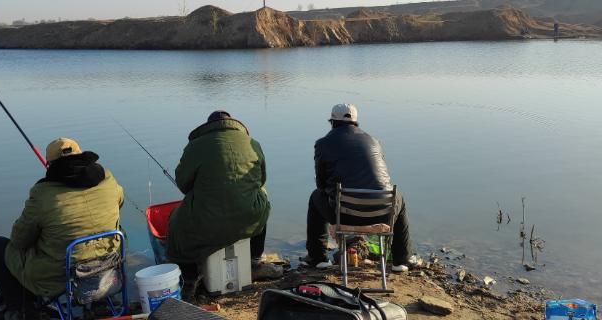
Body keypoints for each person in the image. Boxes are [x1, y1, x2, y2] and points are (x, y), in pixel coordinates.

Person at [0, 138, 124, 319]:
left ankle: (24, 310)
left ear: (49, 165)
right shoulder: (109, 180)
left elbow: (19, 240)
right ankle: (99, 302)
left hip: (61, 278)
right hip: (108, 265)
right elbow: (119, 202)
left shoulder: (42, 194)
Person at [166, 110, 282, 286]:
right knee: (262, 200)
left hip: (208, 219)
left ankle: (189, 276)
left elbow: (183, 185)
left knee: (175, 221)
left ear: (208, 128)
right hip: (248, 217)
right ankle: (254, 262)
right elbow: (261, 180)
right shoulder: (253, 143)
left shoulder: (195, 146)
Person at [301, 103, 418, 272]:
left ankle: (317, 258)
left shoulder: (323, 144)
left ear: (332, 122)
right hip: (383, 213)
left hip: (346, 215)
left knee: (315, 197)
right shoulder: (373, 141)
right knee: (398, 197)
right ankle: (401, 260)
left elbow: (321, 184)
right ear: (356, 122)